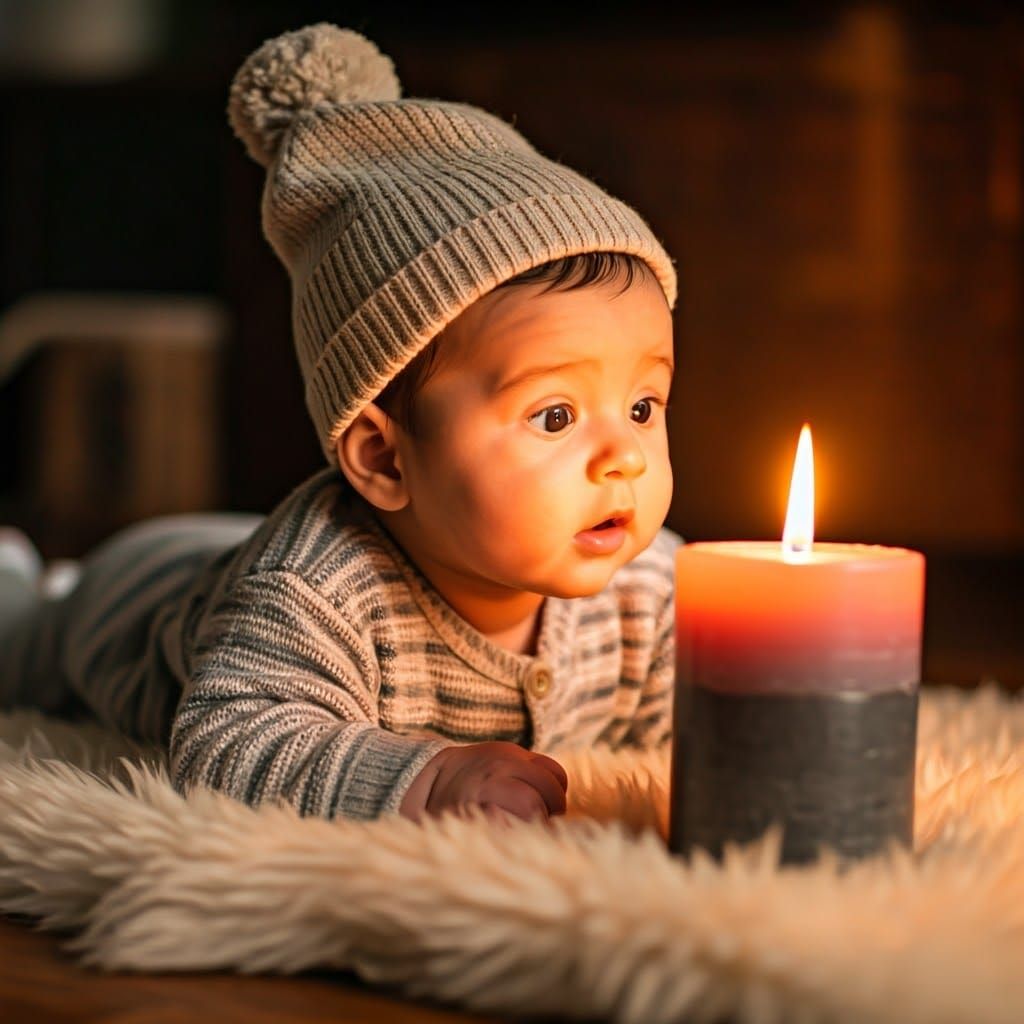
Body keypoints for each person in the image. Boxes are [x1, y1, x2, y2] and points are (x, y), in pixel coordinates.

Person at [0, 23, 679, 825]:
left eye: (642, 406)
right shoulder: (314, 593)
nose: (624, 458)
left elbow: (710, 703)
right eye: (555, 415)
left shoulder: (650, 591)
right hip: (135, 597)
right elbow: (230, 741)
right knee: (24, 635)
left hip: (232, 546)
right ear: (384, 458)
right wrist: (427, 781)